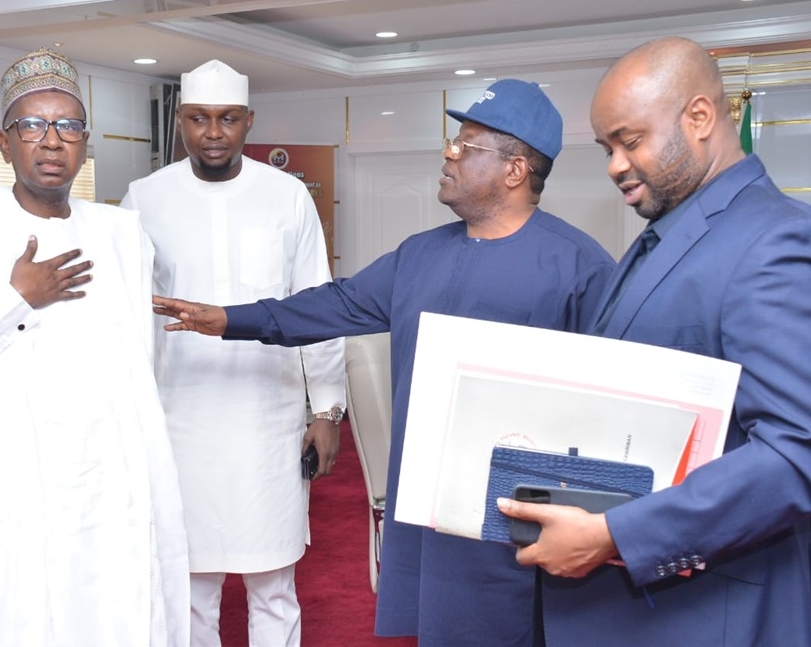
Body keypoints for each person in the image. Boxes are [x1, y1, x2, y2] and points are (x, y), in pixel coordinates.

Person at [152, 78, 617, 645]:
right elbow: (333, 306)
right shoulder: (421, 254)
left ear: (515, 169)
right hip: (430, 498)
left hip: (526, 506)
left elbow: (607, 406)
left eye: (466, 146)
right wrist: (226, 319)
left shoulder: (579, 266)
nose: (448, 154)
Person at [496, 36, 811, 645]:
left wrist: (614, 536)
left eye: (630, 141)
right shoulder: (668, 230)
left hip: (703, 612)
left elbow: (797, 454)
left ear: (699, 118)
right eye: (606, 147)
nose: (615, 164)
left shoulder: (774, 241)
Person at [0, 48, 189, 646]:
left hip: (111, 484)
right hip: (12, 488)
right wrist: (13, 302)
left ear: (85, 143)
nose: (52, 141)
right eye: (33, 125)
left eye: (69, 126)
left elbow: (139, 366)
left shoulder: (121, 232)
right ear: (5, 142)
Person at [120, 59, 346, 647]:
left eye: (227, 119)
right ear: (180, 122)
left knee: (274, 582)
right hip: (180, 420)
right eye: (198, 119)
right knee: (189, 585)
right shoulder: (143, 198)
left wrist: (326, 411)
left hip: (266, 419)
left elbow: (315, 308)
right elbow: (125, 316)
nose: (213, 132)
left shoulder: (287, 196)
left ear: (249, 122)